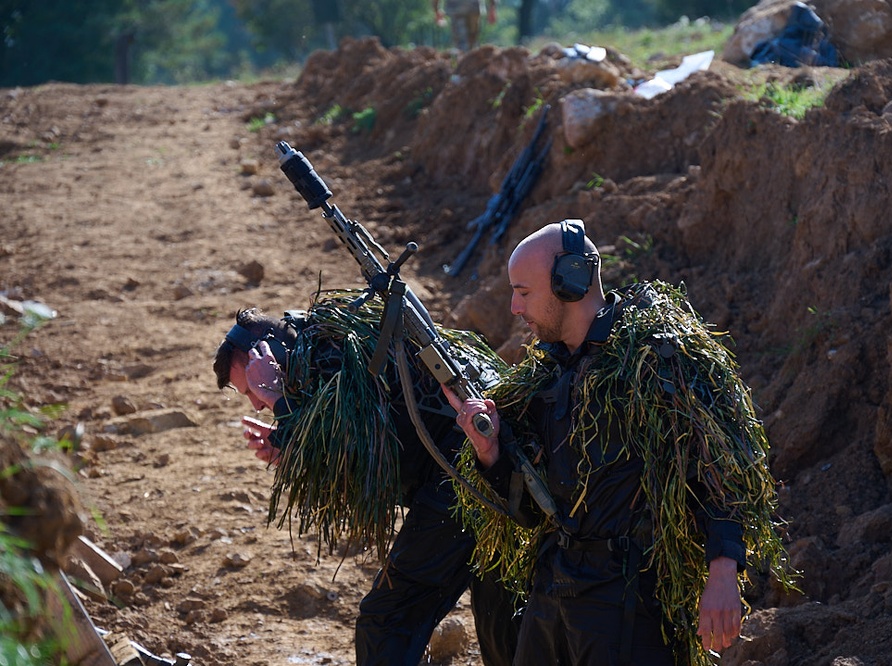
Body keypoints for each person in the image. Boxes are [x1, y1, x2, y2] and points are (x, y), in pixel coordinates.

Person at [445, 220, 793, 665]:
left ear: (570, 281)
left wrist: (723, 572)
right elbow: (533, 509)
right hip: (553, 590)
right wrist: (490, 454)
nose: (514, 307)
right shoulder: (547, 376)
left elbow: (722, 469)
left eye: (524, 292)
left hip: (628, 600)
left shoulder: (656, 360)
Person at [213, 292, 519, 666]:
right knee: (502, 618)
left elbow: (354, 445)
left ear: (268, 356)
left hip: (464, 475)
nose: (256, 404)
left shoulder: (332, 353)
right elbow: (364, 457)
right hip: (485, 469)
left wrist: (277, 397)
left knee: (387, 621)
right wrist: (292, 449)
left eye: (251, 390)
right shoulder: (321, 351)